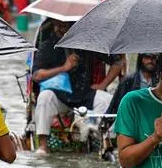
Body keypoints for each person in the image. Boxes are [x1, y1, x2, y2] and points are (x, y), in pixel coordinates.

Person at [31, 19, 116, 153]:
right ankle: (43, 145)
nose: (60, 29)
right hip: (59, 96)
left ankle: (104, 140)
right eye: (57, 25)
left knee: (108, 100)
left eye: (65, 26)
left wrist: (103, 84)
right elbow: (36, 75)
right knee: (44, 97)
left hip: (85, 94)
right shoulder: (48, 46)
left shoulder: (86, 45)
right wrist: (64, 67)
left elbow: (118, 63)